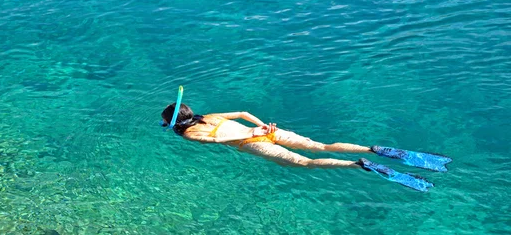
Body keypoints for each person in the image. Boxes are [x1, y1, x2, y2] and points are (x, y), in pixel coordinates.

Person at [161, 98, 452, 192]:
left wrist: (251, 135)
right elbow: (241, 113)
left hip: (254, 142)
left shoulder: (188, 135)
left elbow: (222, 139)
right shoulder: (209, 115)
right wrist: (263, 125)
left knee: (306, 163)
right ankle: (371, 149)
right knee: (321, 146)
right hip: (267, 132)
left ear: (175, 123)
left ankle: (359, 164)